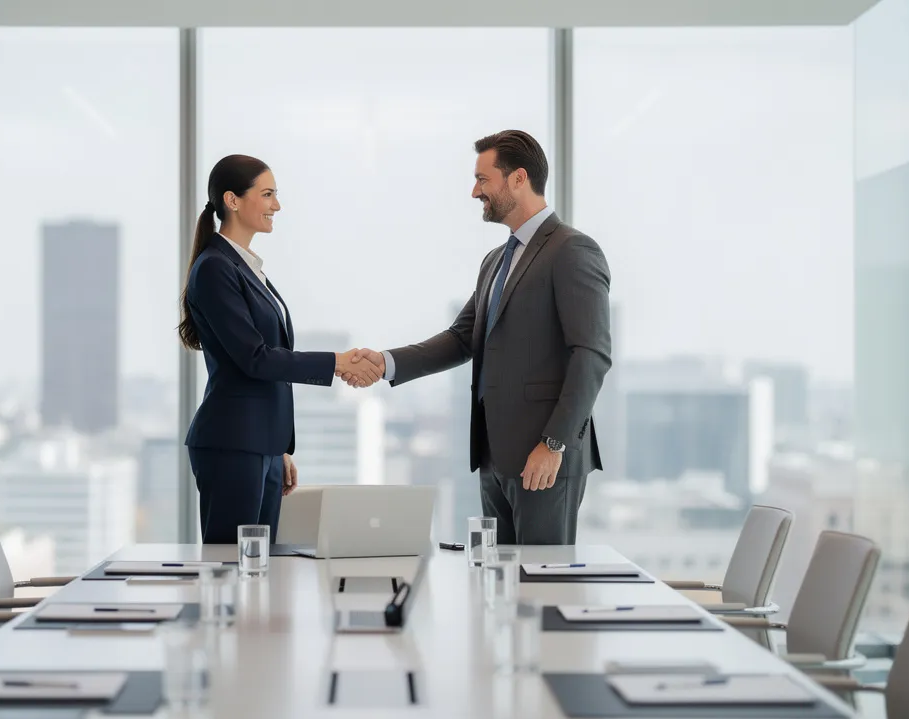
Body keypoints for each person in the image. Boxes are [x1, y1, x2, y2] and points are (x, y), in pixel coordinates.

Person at [349, 130, 611, 545]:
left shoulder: (572, 250)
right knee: (500, 584)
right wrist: (385, 363)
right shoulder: (495, 261)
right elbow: (461, 338)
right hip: (495, 457)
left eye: (483, 179)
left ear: (518, 178)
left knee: (540, 587)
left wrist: (554, 443)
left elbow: (591, 355)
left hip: (544, 458)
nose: (475, 191)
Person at [180, 155, 383, 544]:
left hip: (260, 446)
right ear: (232, 200)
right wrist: (336, 363)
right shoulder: (214, 268)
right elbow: (254, 358)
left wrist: (277, 448)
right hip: (232, 444)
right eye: (268, 194)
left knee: (260, 572)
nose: (277, 206)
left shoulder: (246, 267)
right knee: (231, 573)